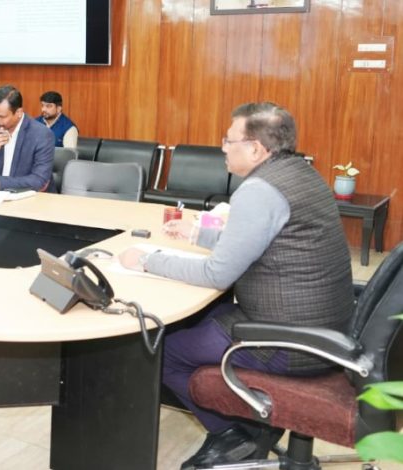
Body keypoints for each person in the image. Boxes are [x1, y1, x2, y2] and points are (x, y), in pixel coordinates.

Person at [119, 102, 354, 469]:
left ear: (256, 149)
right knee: (195, 318)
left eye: (229, 140)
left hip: (287, 341)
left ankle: (235, 433)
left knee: (155, 351)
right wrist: (199, 235)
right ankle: (248, 422)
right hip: (327, 330)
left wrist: (148, 259)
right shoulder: (302, 174)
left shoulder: (260, 189)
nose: (223, 148)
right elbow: (262, 241)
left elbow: (217, 275)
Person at [0, 85, 55, 192]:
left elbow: (39, 180)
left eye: (1, 116)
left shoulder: (41, 134)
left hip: (30, 197)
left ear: (19, 113)